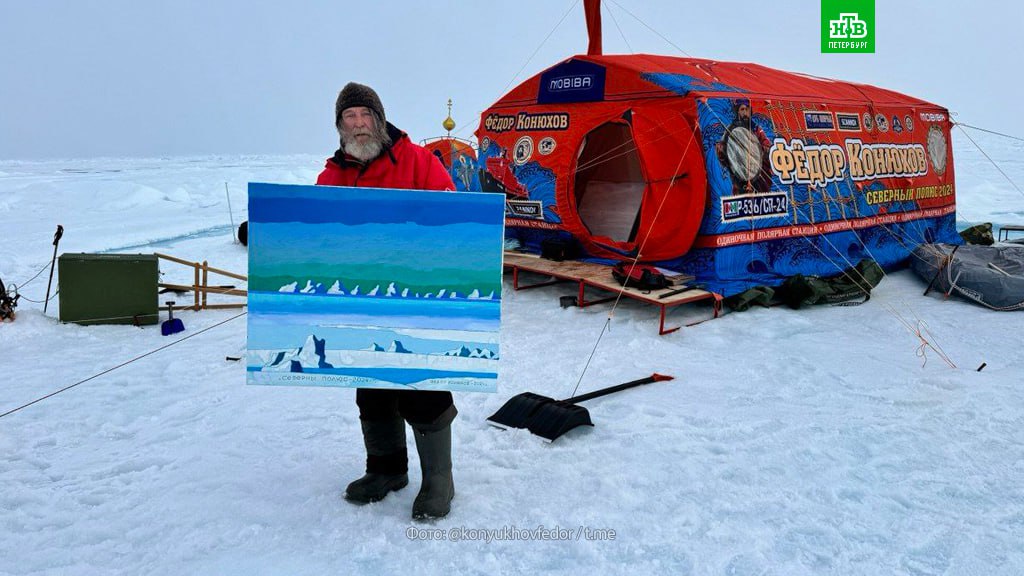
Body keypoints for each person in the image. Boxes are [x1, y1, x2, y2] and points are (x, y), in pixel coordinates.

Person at [316, 82, 457, 520]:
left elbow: (453, 219)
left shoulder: (418, 161)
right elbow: (316, 234)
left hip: (418, 298)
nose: (358, 125)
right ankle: (386, 469)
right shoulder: (332, 175)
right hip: (358, 300)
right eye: (349, 118)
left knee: (421, 382)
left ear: (380, 119)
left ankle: (439, 479)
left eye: (364, 115)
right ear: (340, 126)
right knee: (370, 384)